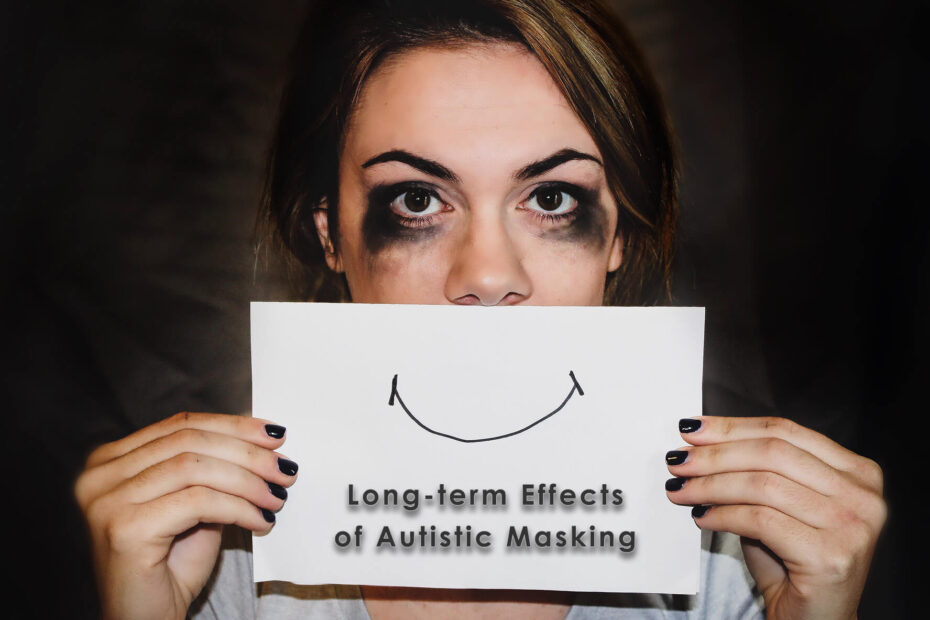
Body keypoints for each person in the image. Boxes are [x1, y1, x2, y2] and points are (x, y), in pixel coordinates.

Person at [74, 1, 887, 618]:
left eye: (553, 196)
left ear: (621, 240)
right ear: (331, 235)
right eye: (419, 199)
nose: (488, 274)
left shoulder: (742, 568)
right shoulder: (211, 567)